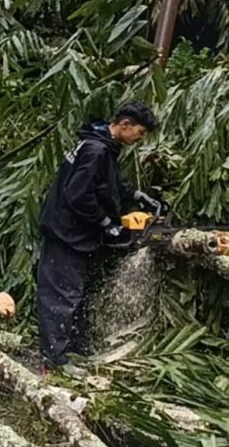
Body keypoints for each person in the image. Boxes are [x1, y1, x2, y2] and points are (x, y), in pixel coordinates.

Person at [36, 101, 159, 377]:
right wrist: (106, 223)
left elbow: (108, 182)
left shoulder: (101, 142)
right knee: (61, 296)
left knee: (73, 293)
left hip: (74, 232)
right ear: (125, 124)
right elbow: (79, 193)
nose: (140, 139)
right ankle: (54, 360)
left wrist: (137, 197)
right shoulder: (96, 149)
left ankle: (68, 350)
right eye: (139, 132)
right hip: (67, 233)